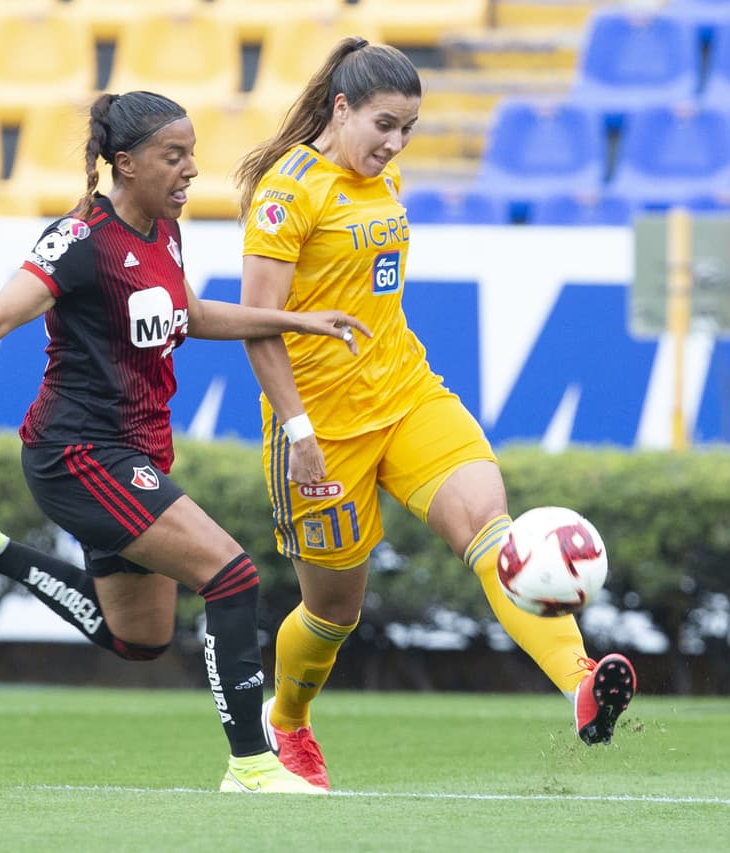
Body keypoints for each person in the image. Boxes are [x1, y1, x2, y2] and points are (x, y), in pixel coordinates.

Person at [0, 90, 371, 795]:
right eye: (174, 157)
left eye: (193, 155)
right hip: (78, 454)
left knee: (138, 639)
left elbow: (193, 313)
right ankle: (253, 765)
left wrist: (295, 320)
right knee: (232, 576)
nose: (191, 170)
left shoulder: (166, 230)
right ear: (126, 163)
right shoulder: (81, 241)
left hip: (135, 454)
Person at [232, 38, 638, 791]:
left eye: (408, 129)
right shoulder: (289, 193)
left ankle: (581, 682)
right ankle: (286, 721)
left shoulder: (380, 180)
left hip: (409, 395)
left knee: (494, 531)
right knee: (331, 613)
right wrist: (297, 430)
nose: (394, 144)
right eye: (383, 124)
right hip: (321, 429)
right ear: (341, 107)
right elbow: (258, 323)